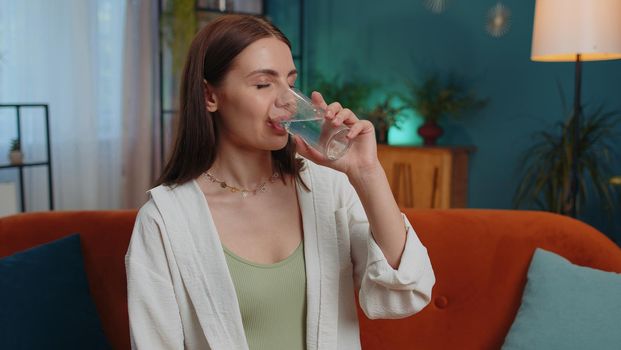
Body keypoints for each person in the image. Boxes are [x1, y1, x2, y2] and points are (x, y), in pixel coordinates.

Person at [125, 14, 434, 350]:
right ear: (209, 96)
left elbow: (403, 294)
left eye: (290, 82)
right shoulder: (164, 221)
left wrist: (367, 172)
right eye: (263, 84)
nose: (286, 100)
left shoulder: (328, 189)